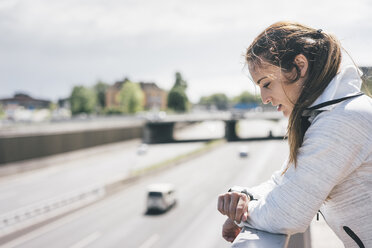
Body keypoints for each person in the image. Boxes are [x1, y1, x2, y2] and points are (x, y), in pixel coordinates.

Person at [217, 21, 372, 248]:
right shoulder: (334, 113)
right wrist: (244, 196)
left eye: (266, 83)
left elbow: (287, 214)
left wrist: (243, 213)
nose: (264, 98)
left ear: (300, 65)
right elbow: (284, 181)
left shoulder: (341, 121)